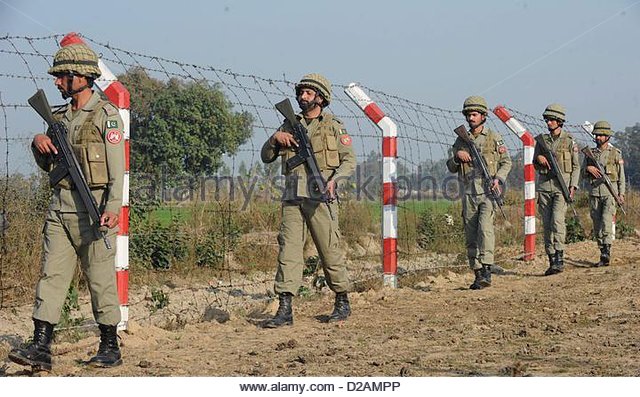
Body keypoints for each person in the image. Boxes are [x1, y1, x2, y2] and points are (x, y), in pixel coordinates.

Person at [8, 43, 125, 371]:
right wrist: (39, 144)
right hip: (60, 210)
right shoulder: (56, 118)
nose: (57, 83)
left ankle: (110, 345)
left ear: (82, 77)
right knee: (52, 276)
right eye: (58, 77)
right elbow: (49, 166)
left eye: (63, 77)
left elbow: (118, 172)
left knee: (100, 279)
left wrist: (112, 208)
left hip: (95, 213)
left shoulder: (107, 117)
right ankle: (41, 346)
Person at [261, 73, 356, 327]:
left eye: (308, 93)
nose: (303, 97)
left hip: (320, 196)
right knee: (288, 251)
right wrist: (274, 139)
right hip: (293, 196)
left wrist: (336, 181)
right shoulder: (288, 124)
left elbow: (349, 160)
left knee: (329, 249)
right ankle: (285, 308)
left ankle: (342, 300)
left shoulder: (333, 125)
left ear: (321, 98)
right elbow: (266, 156)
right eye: (301, 92)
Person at [446, 96, 512, 290]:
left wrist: (498, 179)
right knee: (471, 234)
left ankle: (487, 269)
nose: (470, 118)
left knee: (485, 229)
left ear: (483, 116)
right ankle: (477, 273)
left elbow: (506, 161)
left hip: (488, 192)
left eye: (474, 114)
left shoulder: (494, 137)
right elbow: (450, 166)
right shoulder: (461, 140)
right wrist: (458, 157)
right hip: (469, 192)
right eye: (468, 115)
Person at [533, 104, 580, 276]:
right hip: (545, 187)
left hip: (562, 188)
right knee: (547, 224)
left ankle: (559, 256)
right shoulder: (542, 141)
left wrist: (573, 187)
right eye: (547, 120)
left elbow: (576, 167)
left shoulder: (569, 141)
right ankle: (551, 257)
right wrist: (538, 158)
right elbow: (534, 163)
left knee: (557, 221)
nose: (549, 122)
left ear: (560, 121)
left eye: (552, 120)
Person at [581, 121, 625, 267]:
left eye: (601, 135)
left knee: (606, 221)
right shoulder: (590, 154)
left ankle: (606, 252)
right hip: (594, 193)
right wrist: (588, 169)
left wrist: (621, 194)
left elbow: (621, 176)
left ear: (607, 137)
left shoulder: (615, 153)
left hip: (610, 194)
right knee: (597, 223)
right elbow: (582, 173)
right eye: (597, 135)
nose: (598, 138)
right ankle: (602, 250)